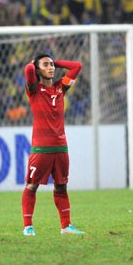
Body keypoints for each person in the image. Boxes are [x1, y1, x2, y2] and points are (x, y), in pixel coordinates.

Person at [21, 53, 86, 236]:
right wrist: (35, 64)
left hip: (61, 147)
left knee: (61, 186)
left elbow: (77, 66)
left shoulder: (60, 88)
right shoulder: (34, 89)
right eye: (46, 65)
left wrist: (54, 62)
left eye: (52, 65)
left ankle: (66, 227)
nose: (51, 68)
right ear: (37, 69)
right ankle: (28, 227)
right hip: (41, 149)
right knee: (32, 186)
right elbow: (27, 69)